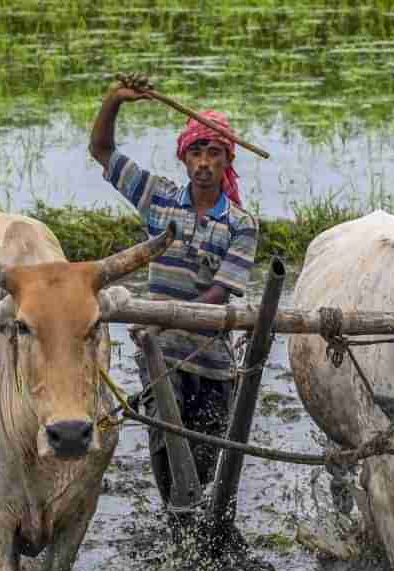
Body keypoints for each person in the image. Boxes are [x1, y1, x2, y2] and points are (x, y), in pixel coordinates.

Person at [89, 74, 259, 506]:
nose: (204, 161)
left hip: (213, 359)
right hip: (161, 358)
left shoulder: (240, 224)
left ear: (227, 162)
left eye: (214, 153)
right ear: (184, 159)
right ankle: (176, 520)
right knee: (166, 448)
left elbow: (222, 292)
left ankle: (199, 522)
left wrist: (162, 319)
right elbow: (102, 151)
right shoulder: (159, 200)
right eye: (196, 152)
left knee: (209, 460)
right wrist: (115, 101)